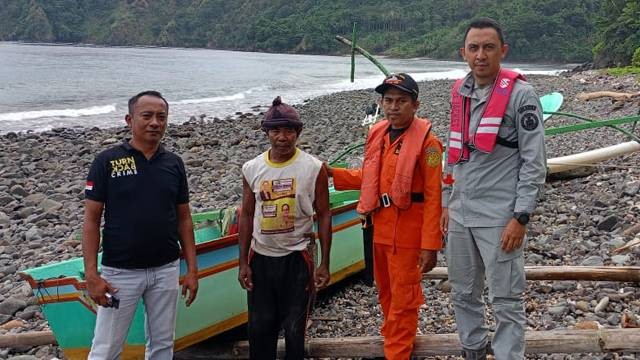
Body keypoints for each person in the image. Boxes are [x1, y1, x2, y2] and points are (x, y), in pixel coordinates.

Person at [440, 18, 547, 360]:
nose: (480, 55)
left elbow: (534, 162)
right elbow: (451, 156)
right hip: (460, 216)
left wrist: (521, 216)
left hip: (500, 218)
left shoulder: (521, 94)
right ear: (463, 53)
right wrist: (445, 204)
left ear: (503, 51)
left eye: (488, 47)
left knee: (505, 299)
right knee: (463, 294)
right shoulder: (460, 93)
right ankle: (472, 351)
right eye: (474, 48)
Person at [325, 73, 443, 360]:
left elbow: (434, 197)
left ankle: (396, 352)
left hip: (408, 234)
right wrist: (333, 173)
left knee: (404, 299)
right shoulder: (379, 133)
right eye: (388, 100)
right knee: (386, 293)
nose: (393, 107)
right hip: (378, 229)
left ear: (416, 105)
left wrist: (431, 245)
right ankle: (392, 339)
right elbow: (371, 178)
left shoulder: (429, 145)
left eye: (401, 101)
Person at [83, 90, 198, 360]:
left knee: (162, 345)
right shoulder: (107, 162)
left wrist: (192, 269)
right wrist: (92, 275)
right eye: (146, 116)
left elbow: (184, 218)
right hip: (120, 272)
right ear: (129, 119)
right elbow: (91, 220)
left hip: (166, 269)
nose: (155, 122)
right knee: (106, 348)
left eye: (161, 117)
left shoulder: (173, 164)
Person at [238, 96, 331, 360]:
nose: (282, 137)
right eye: (276, 130)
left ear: (298, 132)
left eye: (289, 130)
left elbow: (324, 214)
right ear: (266, 133)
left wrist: (324, 262)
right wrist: (243, 262)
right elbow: (246, 214)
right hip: (261, 258)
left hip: (297, 259)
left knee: (294, 330)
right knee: (260, 328)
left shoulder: (313, 168)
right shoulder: (252, 168)